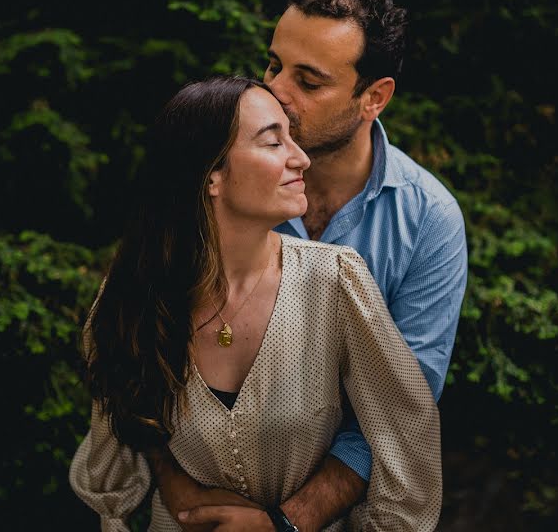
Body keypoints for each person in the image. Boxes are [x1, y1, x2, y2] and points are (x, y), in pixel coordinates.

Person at [163, 0, 468, 532]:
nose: (276, 91)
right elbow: (140, 348)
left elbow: (402, 415)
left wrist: (284, 523)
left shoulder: (426, 220)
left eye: (309, 80)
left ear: (373, 97)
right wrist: (183, 495)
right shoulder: (219, 178)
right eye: (274, 65)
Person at [69, 76, 443, 531]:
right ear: (211, 175)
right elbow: (118, 456)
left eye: (292, 137)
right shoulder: (133, 293)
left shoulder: (335, 282)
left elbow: (406, 435)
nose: (301, 157)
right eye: (273, 142)